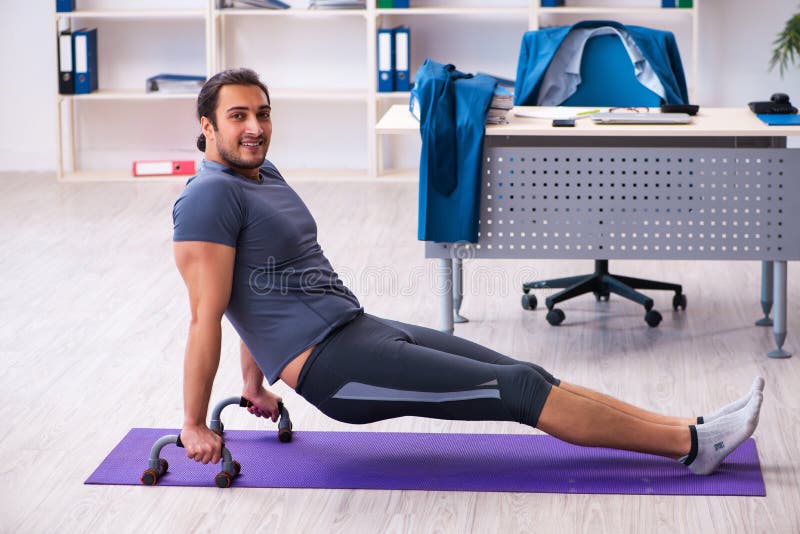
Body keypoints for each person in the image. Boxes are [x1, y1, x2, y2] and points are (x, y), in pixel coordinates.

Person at [172, 68, 763, 476]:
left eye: (263, 113)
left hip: (358, 327)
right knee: (519, 393)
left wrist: (254, 384)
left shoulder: (260, 174)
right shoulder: (207, 199)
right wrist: (194, 423)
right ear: (207, 125)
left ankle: (692, 424)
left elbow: (261, 280)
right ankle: (692, 447)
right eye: (238, 116)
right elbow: (209, 312)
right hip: (334, 370)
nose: (255, 127)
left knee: (526, 371)